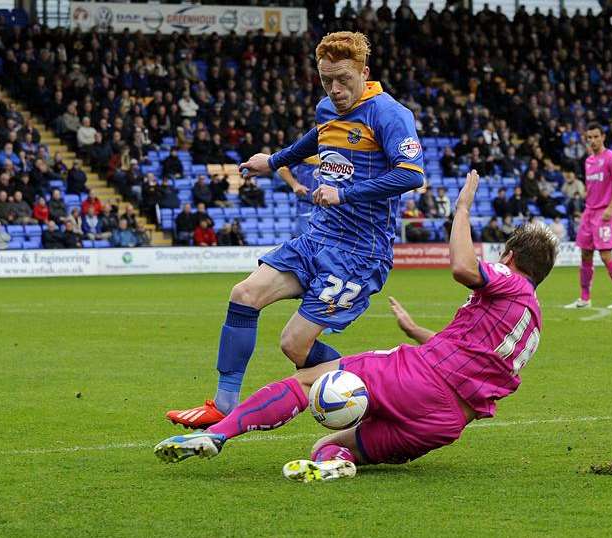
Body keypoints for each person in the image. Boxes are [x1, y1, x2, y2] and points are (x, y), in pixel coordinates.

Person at [154, 171, 559, 481]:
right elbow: (472, 359)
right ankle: (337, 466)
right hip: (443, 424)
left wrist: (464, 208)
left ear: (509, 257)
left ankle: (218, 434)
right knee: (326, 445)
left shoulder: (510, 281)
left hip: (418, 380)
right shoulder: (532, 319)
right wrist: (417, 331)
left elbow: (462, 267)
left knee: (309, 380)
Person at [166, 32, 424, 428]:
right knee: (244, 294)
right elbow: (315, 139)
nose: (335, 90)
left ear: (364, 73)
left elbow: (410, 175)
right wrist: (273, 161)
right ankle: (223, 404)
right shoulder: (327, 109)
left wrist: (345, 194)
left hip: (359, 253)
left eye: (343, 80)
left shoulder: (389, 114)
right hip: (317, 237)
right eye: (326, 81)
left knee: (294, 344)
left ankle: (377, 397)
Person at [564, 123, 612, 310]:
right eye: (589, 138)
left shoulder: (611, 158)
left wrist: (611, 208)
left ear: (603, 137)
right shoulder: (588, 161)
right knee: (585, 253)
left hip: (604, 212)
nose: (593, 141)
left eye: (596, 137)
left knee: (605, 254)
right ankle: (584, 298)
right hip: (589, 212)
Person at [278, 156, 319, 236]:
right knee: (305, 238)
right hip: (306, 204)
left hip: (330, 206)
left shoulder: (335, 149)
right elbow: (281, 168)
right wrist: (295, 185)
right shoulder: (306, 149)